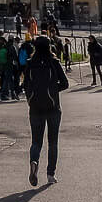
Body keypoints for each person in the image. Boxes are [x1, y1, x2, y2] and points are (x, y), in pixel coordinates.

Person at [23, 34, 69, 186]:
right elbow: (65, 83)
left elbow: (25, 85)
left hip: (35, 105)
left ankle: (34, 162)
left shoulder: (30, 63)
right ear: (50, 47)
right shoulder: (53, 62)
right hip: (53, 106)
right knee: (53, 141)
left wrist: (31, 96)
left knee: (36, 141)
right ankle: (50, 174)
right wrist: (53, 90)